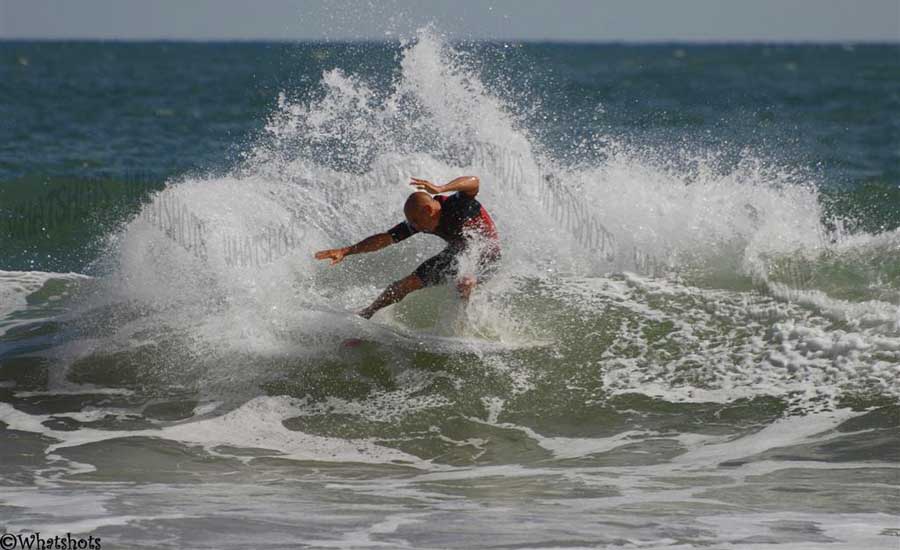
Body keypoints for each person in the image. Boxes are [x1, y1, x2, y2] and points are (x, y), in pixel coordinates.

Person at [314, 176, 501, 319]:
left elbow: (474, 182)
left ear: (428, 210)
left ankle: (465, 326)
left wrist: (441, 188)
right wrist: (346, 251)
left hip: (487, 255)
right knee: (407, 283)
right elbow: (386, 238)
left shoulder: (457, 205)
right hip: (457, 253)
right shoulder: (421, 220)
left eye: (416, 221)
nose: (414, 226)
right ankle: (366, 314)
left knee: (466, 281)